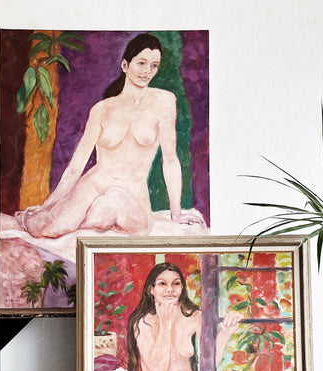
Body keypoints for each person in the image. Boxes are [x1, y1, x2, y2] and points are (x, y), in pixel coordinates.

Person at [15, 34, 206, 238]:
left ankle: (88, 215)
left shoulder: (164, 101)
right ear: (125, 65)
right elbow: (76, 165)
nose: (147, 71)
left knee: (112, 202)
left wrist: (176, 213)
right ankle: (26, 218)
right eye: (141, 63)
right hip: (94, 184)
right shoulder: (102, 109)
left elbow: (170, 159)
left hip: (131, 195)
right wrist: (49, 204)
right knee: (51, 228)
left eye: (154, 65)